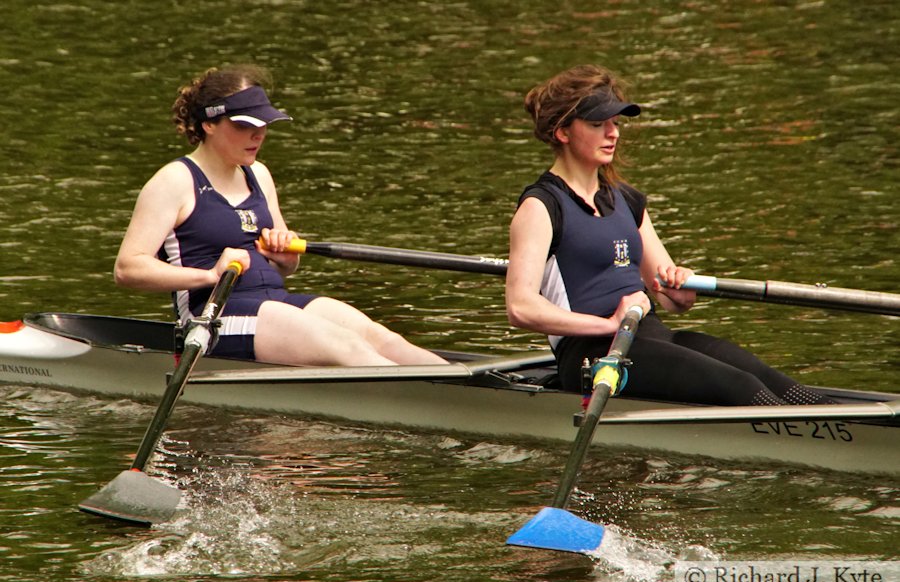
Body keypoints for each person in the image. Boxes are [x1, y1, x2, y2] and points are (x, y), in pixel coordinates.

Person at [505, 64, 831, 406]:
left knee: (779, 384)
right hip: (595, 355)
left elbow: (670, 297)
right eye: (598, 124)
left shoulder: (627, 200)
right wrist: (610, 324)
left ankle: (846, 427)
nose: (613, 133)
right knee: (741, 387)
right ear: (563, 132)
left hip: (652, 337)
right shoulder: (540, 207)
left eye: (616, 123)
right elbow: (521, 307)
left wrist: (680, 286)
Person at [115, 64, 445, 367]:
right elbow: (128, 268)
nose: (258, 135)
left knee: (382, 339)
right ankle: (436, 406)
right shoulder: (175, 180)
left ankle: (475, 391)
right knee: (346, 345)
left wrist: (284, 256)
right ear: (209, 124)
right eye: (244, 125)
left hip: (275, 300)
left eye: (263, 124)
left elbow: (286, 266)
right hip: (212, 317)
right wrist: (209, 274)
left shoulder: (258, 174)